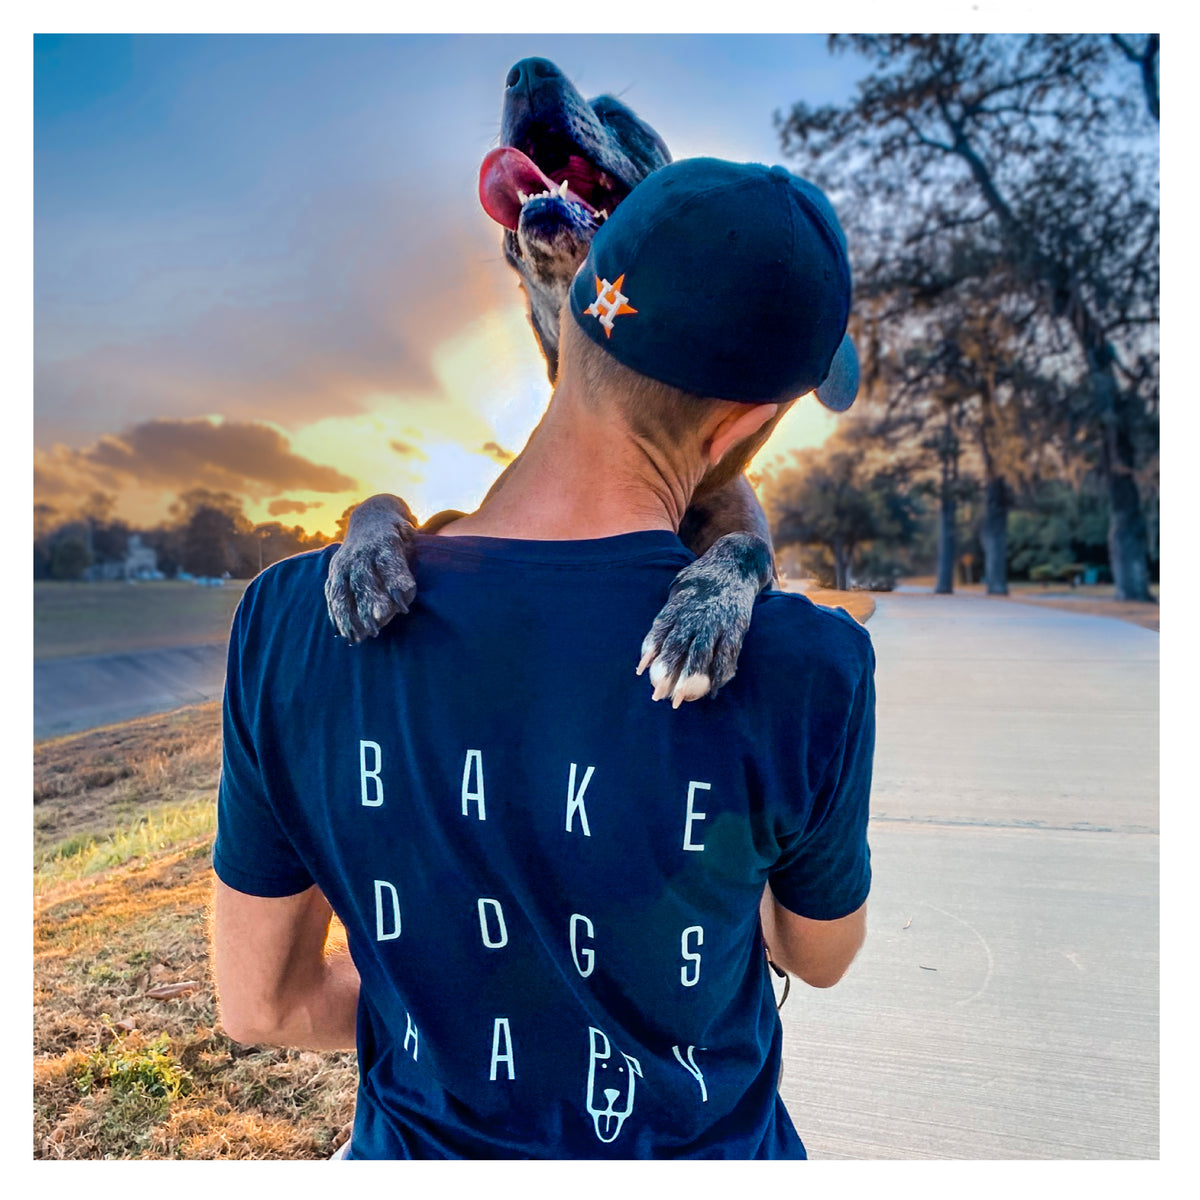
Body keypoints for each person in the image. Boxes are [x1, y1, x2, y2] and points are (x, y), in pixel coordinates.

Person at [211, 157, 874, 1160]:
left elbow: (261, 1005)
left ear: (566, 313)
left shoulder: (282, 622)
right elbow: (815, 956)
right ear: (748, 425)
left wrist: (436, 1009)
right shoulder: (815, 669)